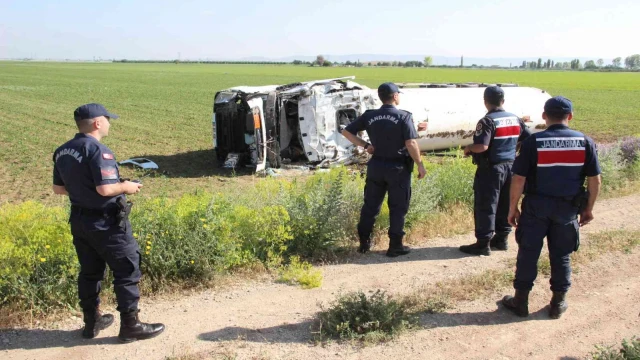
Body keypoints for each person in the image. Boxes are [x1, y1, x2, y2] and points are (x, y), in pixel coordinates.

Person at [52, 103, 165, 342]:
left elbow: (58, 189)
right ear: (97, 123)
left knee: (90, 273)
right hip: (107, 223)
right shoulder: (98, 150)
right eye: (107, 119)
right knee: (126, 270)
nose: (110, 123)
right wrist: (127, 186)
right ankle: (130, 326)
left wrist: (84, 191)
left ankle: (91, 324)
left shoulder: (62, 151)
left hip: (80, 221)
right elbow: (105, 188)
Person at [501, 96, 601, 319]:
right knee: (561, 255)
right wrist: (589, 208)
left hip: (536, 207)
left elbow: (518, 178)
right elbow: (595, 180)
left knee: (528, 254)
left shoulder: (533, 142)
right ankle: (558, 304)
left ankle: (520, 302)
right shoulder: (585, 142)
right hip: (567, 209)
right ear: (570, 116)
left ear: (544, 116)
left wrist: (512, 208)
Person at [341, 82, 427, 257]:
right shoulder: (404, 116)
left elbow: (347, 132)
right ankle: (395, 246)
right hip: (398, 168)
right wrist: (419, 164)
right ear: (395, 96)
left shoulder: (370, 115)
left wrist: (366, 145)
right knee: (398, 207)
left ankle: (364, 243)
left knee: (370, 206)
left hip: (376, 166)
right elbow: (410, 142)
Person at [459, 86, 531, 256]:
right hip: (511, 167)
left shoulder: (487, 121)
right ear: (503, 101)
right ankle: (502, 239)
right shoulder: (515, 119)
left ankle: (483, 243)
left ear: (486, 102)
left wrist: (468, 148)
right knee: (505, 203)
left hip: (491, 170)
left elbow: (482, 146)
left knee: (487, 204)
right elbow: (527, 140)